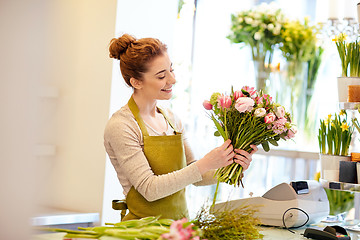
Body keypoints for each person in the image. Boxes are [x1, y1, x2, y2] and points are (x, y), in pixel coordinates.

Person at [104, 34, 258, 221]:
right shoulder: (122, 126)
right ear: (136, 82)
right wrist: (206, 163)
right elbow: (149, 189)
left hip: (179, 227)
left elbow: (195, 175)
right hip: (142, 229)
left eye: (171, 70)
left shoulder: (172, 120)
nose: (172, 80)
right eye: (161, 76)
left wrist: (231, 166)